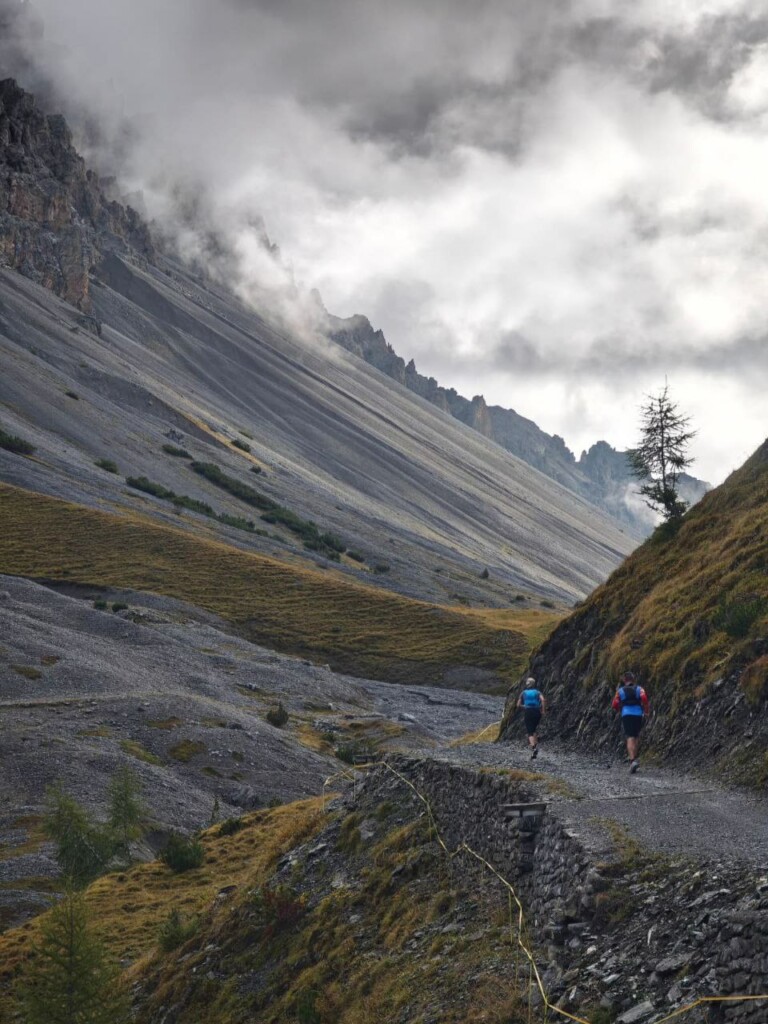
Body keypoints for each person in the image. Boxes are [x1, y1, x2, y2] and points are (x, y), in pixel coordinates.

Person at [612, 671, 649, 773]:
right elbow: (644, 698)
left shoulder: (620, 691)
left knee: (630, 736)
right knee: (636, 736)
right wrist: (646, 711)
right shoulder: (639, 689)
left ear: (624, 680)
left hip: (626, 714)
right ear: (633, 679)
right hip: (638, 714)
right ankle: (635, 760)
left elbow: (614, 703)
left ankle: (632, 760)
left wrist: (619, 710)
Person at [516, 677, 546, 759]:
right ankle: (535, 745)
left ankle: (533, 748)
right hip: (537, 711)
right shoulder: (537, 692)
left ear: (527, 684)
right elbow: (543, 700)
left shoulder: (523, 692)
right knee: (534, 729)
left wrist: (524, 706)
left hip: (528, 711)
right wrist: (542, 710)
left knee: (529, 731)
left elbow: (518, 705)